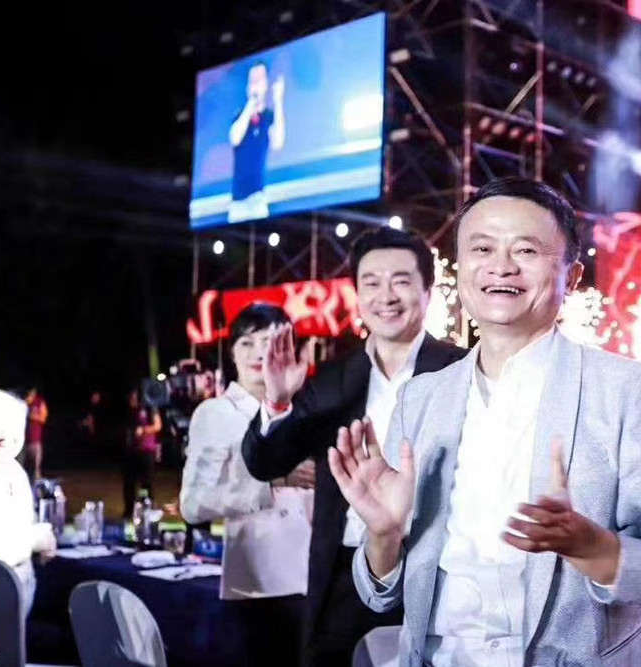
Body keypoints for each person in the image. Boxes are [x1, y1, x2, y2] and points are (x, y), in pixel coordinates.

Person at [328, 178, 641, 666]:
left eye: (526, 250)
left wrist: (589, 546)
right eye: (482, 248)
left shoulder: (627, 390)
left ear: (572, 276)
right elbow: (379, 594)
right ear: (460, 269)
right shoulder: (421, 397)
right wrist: (383, 535)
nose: (501, 266)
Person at [242, 227, 468, 666]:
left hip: (438, 572)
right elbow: (264, 463)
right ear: (358, 295)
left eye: (401, 281)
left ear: (428, 291)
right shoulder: (332, 379)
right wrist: (278, 401)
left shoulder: (461, 370)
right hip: (344, 572)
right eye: (372, 283)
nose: (386, 296)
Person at [180, 304, 316, 667]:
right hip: (261, 583)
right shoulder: (216, 413)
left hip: (317, 578)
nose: (259, 353)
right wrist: (271, 483)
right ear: (232, 353)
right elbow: (193, 504)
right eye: (247, 343)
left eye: (270, 342)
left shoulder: (306, 411)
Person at [0, 390, 57, 617]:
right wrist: (34, 540)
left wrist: (42, 536)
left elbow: (24, 521)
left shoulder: (14, 470)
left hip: (18, 592)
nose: (4, 435)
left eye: (13, 425)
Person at [228, 61, 285, 223]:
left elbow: (278, 142)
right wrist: (250, 106)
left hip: (258, 197)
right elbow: (235, 138)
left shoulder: (268, 116)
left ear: (265, 84)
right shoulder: (240, 115)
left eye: (259, 80)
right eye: (252, 80)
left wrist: (278, 101)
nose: (256, 85)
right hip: (237, 201)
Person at [122, 388, 162, 519]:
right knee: (129, 482)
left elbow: (158, 426)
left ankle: (148, 509)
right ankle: (129, 510)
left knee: (146, 482)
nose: (132, 400)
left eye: (134, 397)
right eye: (130, 397)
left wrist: (144, 430)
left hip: (147, 451)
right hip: (132, 450)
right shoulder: (128, 412)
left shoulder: (150, 408)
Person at [24, 386, 48, 481]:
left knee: (35, 468)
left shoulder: (39, 402)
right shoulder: (22, 402)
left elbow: (43, 419)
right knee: (23, 467)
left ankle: (36, 486)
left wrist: (31, 416)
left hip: (35, 440)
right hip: (22, 441)